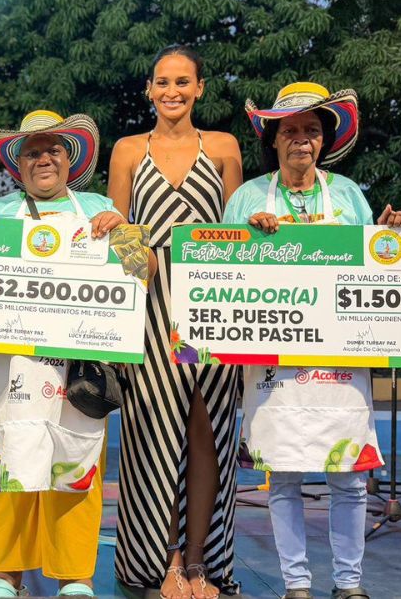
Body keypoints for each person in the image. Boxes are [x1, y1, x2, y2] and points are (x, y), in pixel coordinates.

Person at [224, 81, 401, 599]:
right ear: (274, 140)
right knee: (283, 478)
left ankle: (349, 583)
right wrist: (247, 239)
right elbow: (217, 275)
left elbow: (370, 267)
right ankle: (297, 583)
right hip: (272, 360)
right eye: (291, 131)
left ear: (325, 140)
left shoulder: (349, 195)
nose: (301, 140)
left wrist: (389, 234)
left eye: (311, 130)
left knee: (349, 479)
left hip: (340, 358)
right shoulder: (245, 198)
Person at [0, 110, 126, 598]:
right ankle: (4, 574)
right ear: (18, 165)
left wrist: (126, 234)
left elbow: (143, 268)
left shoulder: (98, 207)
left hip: (79, 365)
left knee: (78, 463)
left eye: (53, 149)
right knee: (7, 461)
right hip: (9, 364)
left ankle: (76, 575)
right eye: (33, 152)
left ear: (70, 158)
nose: (44, 158)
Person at [105, 45, 243, 598]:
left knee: (208, 433)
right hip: (149, 313)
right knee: (154, 438)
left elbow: (235, 237)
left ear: (200, 88)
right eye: (162, 82)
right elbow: (121, 241)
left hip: (212, 315)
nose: (172, 91)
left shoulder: (226, 148)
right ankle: (162, 561)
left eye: (183, 81)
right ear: (149, 89)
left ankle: (198, 562)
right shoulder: (127, 150)